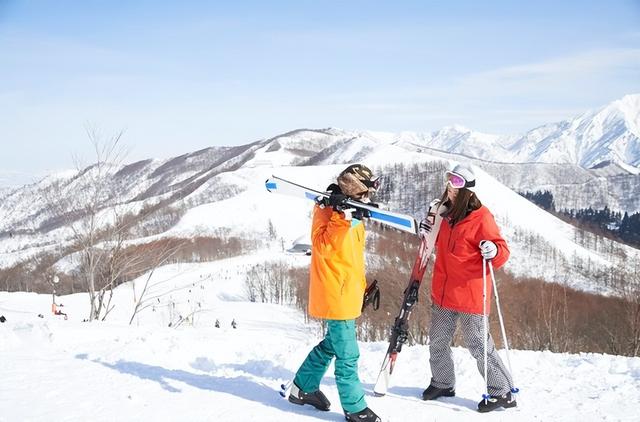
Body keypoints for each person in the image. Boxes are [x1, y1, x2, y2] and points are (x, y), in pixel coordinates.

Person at [419, 163, 516, 413]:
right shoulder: (444, 213)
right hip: (443, 291)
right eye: (449, 181)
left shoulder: (481, 216)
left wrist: (493, 250)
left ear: (468, 190)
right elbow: (431, 241)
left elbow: (501, 250)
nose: (451, 188)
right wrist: (425, 231)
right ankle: (442, 383)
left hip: (471, 293)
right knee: (438, 340)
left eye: (457, 183)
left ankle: (502, 391)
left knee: (478, 345)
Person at [288, 164, 382, 422]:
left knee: (332, 344)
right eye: (368, 188)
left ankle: (302, 388)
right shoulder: (328, 211)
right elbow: (325, 247)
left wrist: (361, 289)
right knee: (348, 353)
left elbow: (349, 258)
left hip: (347, 291)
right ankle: (355, 409)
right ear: (356, 187)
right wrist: (341, 215)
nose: (371, 194)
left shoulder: (350, 211)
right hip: (335, 293)